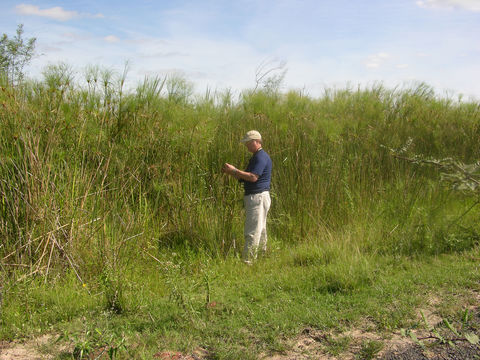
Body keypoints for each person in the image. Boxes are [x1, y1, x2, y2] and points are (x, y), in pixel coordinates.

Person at [222, 130, 272, 263]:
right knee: (260, 229)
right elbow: (246, 177)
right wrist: (232, 173)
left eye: (248, 143)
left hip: (257, 197)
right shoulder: (257, 156)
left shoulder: (260, 157)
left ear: (257, 141)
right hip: (260, 196)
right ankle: (261, 258)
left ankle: (248, 261)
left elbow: (253, 177)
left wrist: (234, 170)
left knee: (252, 230)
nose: (247, 146)